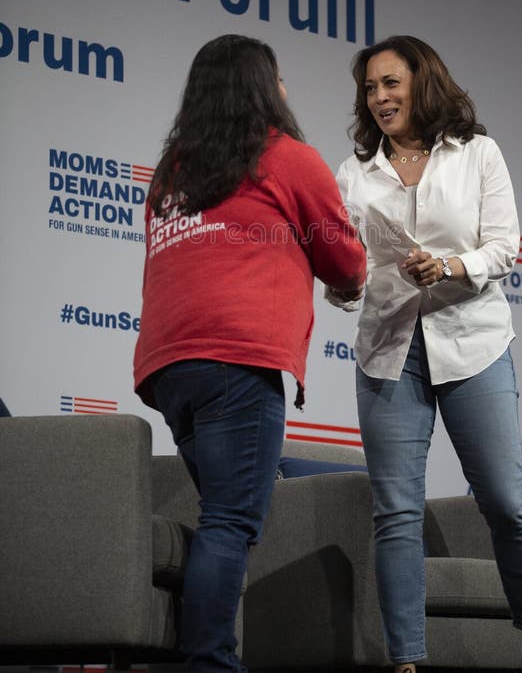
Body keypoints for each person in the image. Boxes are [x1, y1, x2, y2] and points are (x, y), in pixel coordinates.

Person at [328, 35, 522, 673]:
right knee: (397, 511)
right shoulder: (353, 174)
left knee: (506, 501)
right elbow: (349, 273)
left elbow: (505, 247)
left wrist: (450, 263)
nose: (379, 98)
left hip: (474, 344)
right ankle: (407, 661)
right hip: (388, 351)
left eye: (391, 84)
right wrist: (341, 284)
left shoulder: (477, 154)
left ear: (422, 83)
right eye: (371, 89)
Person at [133, 33, 366, 672]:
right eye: (281, 78)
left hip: (169, 368)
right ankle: (211, 664)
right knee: (231, 524)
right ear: (263, 89)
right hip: (237, 359)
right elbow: (346, 260)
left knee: (222, 521)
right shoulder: (286, 157)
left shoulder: (170, 173)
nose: (287, 90)